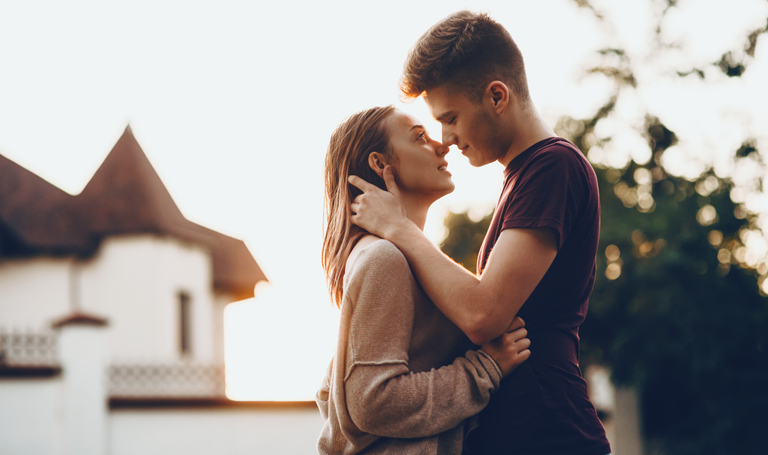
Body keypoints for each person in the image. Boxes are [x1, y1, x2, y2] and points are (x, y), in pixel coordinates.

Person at [347, 11, 611, 455]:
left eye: (450, 118)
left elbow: (483, 314)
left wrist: (398, 227)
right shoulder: (523, 176)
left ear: (497, 96)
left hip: (551, 433)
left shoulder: (553, 167)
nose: (446, 138)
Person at [317, 105, 531, 455]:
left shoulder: (392, 256)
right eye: (419, 137)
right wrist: (484, 368)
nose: (442, 145)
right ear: (379, 163)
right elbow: (370, 401)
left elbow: (333, 392)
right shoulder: (384, 258)